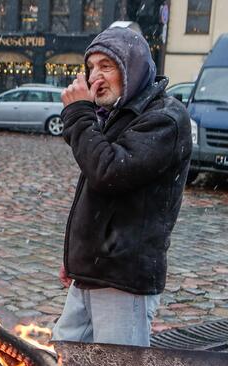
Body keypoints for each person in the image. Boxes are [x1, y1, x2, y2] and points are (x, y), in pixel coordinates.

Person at [53, 26, 192, 347]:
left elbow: (109, 172)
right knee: (63, 362)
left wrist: (77, 114)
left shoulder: (166, 118)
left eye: (106, 66)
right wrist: (77, 256)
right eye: (91, 68)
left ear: (132, 68)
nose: (94, 77)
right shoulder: (115, 114)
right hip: (93, 272)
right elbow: (95, 184)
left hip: (124, 277)